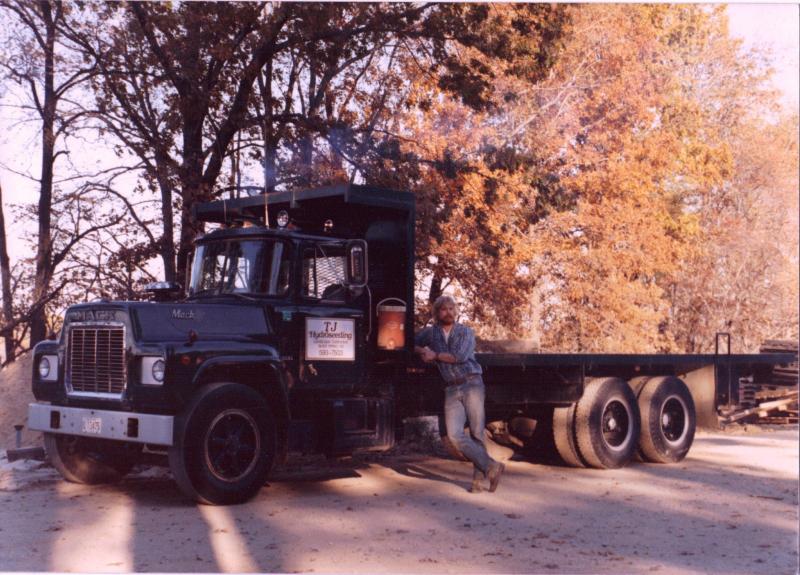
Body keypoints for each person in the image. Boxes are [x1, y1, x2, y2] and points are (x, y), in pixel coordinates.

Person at [414, 295, 505, 493]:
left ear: (455, 312)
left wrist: (435, 355)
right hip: (451, 388)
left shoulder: (465, 332)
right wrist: (422, 351)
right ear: (437, 313)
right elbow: (410, 343)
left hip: (471, 383)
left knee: (477, 432)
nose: (448, 312)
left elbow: (459, 357)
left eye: (451, 309)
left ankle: (478, 482)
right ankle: (492, 466)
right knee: (454, 435)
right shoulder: (431, 333)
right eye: (443, 309)